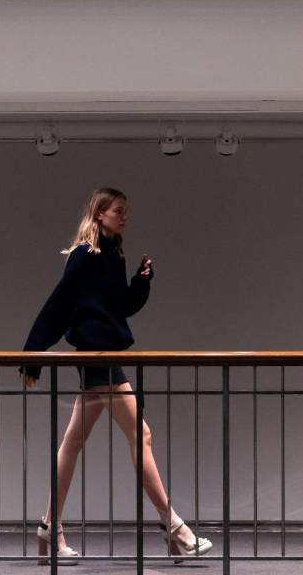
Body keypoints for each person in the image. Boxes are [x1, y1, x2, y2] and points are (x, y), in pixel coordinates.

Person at [20, 187, 213, 564]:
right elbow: (59, 305)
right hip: (97, 357)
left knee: (73, 444)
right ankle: (175, 528)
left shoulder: (112, 255)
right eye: (118, 211)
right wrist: (33, 356)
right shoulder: (83, 256)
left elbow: (120, 306)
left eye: (126, 211)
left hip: (105, 355)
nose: (124, 217)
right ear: (99, 214)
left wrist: (141, 282)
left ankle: (49, 526)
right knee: (140, 435)